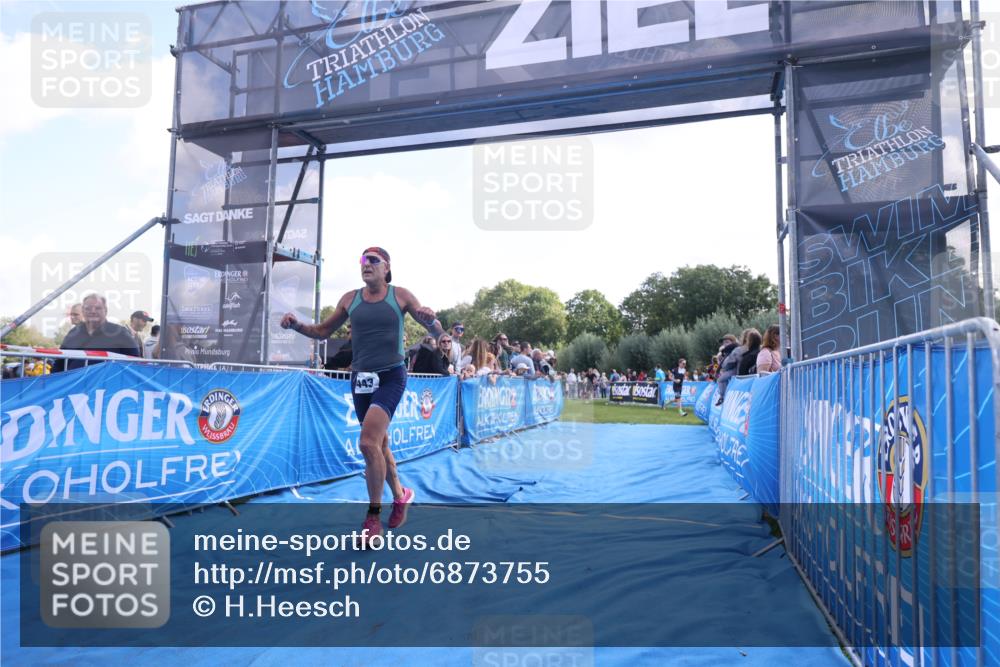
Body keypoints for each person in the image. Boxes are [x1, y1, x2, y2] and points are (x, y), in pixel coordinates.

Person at [281, 246, 443, 545]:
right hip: (361, 379)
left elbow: (436, 332)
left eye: (372, 261)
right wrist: (296, 326)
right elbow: (321, 333)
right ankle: (400, 495)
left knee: (367, 443)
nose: (365, 265)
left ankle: (372, 518)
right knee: (379, 443)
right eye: (362, 261)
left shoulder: (402, 296)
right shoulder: (349, 299)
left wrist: (431, 319)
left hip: (391, 376)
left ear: (386, 267)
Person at [61, 294, 141, 369]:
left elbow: (135, 363)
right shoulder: (73, 333)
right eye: (88, 308)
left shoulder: (120, 333)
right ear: (83, 311)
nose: (93, 311)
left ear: (105, 310)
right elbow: (60, 362)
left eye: (98, 308)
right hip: (76, 383)